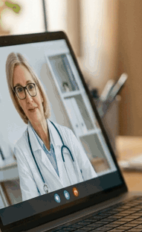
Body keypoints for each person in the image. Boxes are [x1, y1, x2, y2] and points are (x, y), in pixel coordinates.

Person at [8, 52, 96, 201]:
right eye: (20, 90)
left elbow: (93, 183)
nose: (28, 98)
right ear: (17, 101)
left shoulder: (67, 135)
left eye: (30, 86)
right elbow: (31, 205)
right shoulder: (22, 150)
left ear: (41, 93)